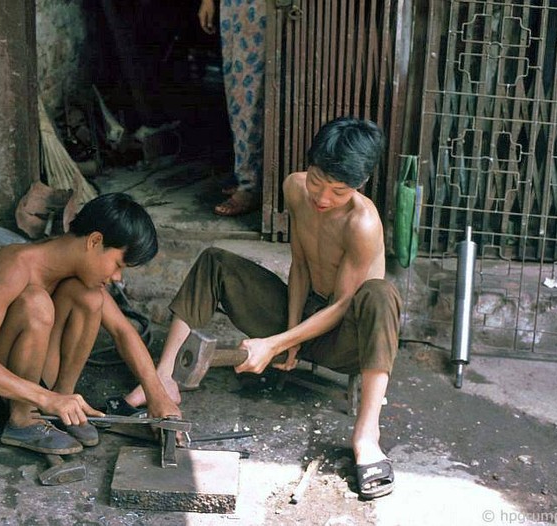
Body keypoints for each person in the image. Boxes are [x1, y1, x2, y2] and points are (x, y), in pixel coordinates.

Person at [121, 118, 400, 499]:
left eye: (338, 191)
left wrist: (273, 343)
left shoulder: (362, 223)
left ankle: (367, 435)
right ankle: (164, 377)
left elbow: (339, 307)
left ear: (359, 185)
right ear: (309, 165)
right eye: (317, 180)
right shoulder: (294, 187)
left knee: (381, 295)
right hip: (303, 314)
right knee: (215, 262)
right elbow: (299, 265)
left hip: (345, 335)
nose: (322, 197)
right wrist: (288, 338)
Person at [0, 193, 181, 455]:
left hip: (32, 384)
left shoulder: (72, 271)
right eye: (118, 264)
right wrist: (47, 399)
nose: (117, 277)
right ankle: (24, 419)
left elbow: (122, 331)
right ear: (94, 241)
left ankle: (63, 411)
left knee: (90, 298)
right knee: (36, 302)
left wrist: (157, 396)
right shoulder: (15, 266)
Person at [198, 0, 267, 216]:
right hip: (238, 7)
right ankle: (250, 178)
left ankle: (255, 182)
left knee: (259, 88)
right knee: (242, 90)